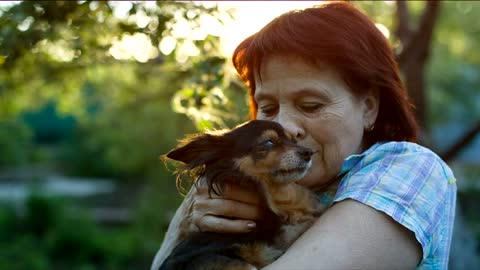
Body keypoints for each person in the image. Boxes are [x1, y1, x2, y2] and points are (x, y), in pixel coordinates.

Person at [151, 2, 457, 270]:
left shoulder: (411, 170)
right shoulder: (245, 183)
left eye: (311, 105)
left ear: (368, 107)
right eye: (267, 107)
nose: (285, 127)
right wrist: (186, 222)